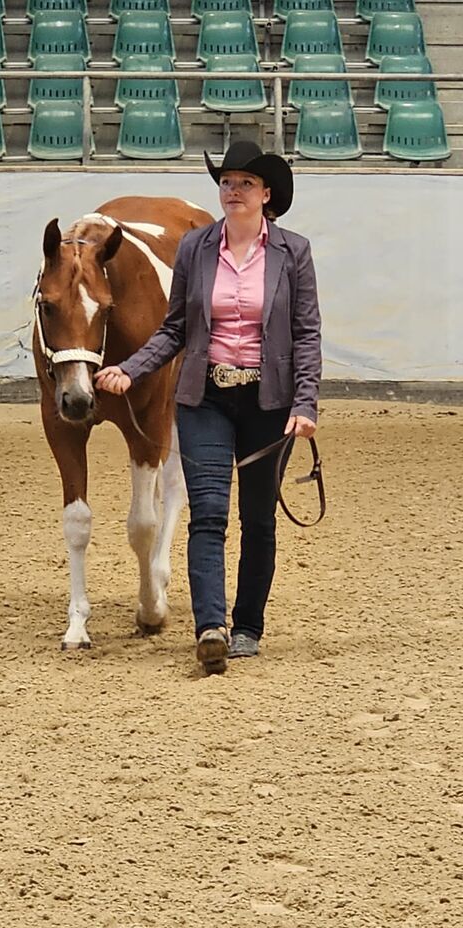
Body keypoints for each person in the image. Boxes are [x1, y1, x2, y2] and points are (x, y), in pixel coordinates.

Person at [95, 141, 322, 675]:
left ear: (267, 195)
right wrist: (131, 368)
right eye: (226, 182)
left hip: (269, 402)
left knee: (258, 519)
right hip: (205, 398)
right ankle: (211, 627)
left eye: (245, 183)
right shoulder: (196, 247)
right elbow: (174, 328)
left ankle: (248, 627)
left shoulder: (294, 252)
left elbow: (307, 333)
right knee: (209, 514)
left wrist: (305, 402)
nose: (233, 191)